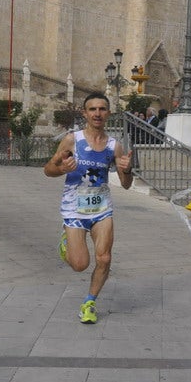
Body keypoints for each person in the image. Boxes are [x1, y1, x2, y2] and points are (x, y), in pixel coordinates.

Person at [44, 92, 133, 324]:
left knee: (104, 258)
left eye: (102, 109)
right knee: (80, 265)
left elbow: (125, 184)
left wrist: (128, 169)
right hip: (74, 209)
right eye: (92, 109)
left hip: (102, 208)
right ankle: (66, 243)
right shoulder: (72, 140)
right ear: (85, 113)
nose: (97, 113)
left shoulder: (115, 146)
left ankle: (89, 302)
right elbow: (48, 169)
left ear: (109, 114)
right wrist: (62, 168)